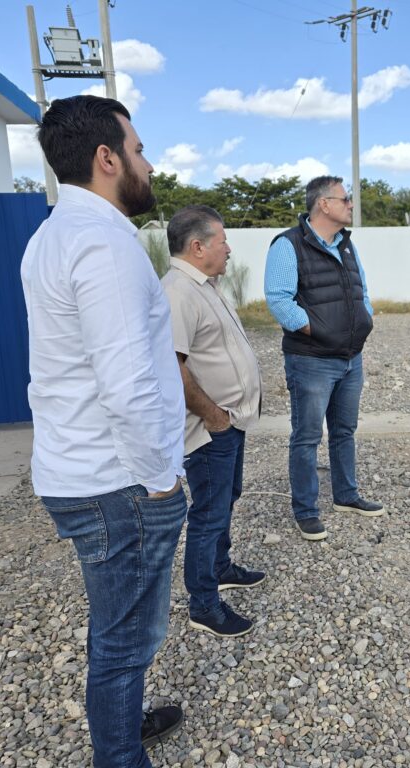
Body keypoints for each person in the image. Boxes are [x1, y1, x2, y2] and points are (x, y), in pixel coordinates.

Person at [21, 95, 186, 766]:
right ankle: (118, 755)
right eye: (140, 150)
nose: (149, 163)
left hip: (84, 472)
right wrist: (161, 480)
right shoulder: (103, 243)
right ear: (107, 158)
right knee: (125, 640)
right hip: (117, 483)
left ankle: (120, 726)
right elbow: (126, 383)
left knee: (117, 630)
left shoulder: (53, 234)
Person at [162, 205, 265, 638]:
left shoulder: (205, 284)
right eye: (222, 241)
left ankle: (220, 568)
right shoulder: (178, 292)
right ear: (198, 246)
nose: (229, 248)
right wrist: (213, 417)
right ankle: (204, 604)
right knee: (207, 514)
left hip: (229, 422)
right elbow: (171, 366)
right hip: (208, 429)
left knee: (226, 500)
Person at [264, 176, 382, 541]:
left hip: (351, 357)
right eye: (345, 199)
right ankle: (307, 510)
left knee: (344, 431)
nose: (350, 205)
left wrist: (366, 317)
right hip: (312, 359)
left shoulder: (346, 244)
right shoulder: (288, 244)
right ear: (324, 205)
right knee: (307, 436)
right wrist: (317, 329)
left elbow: (360, 288)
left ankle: (346, 495)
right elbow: (279, 299)